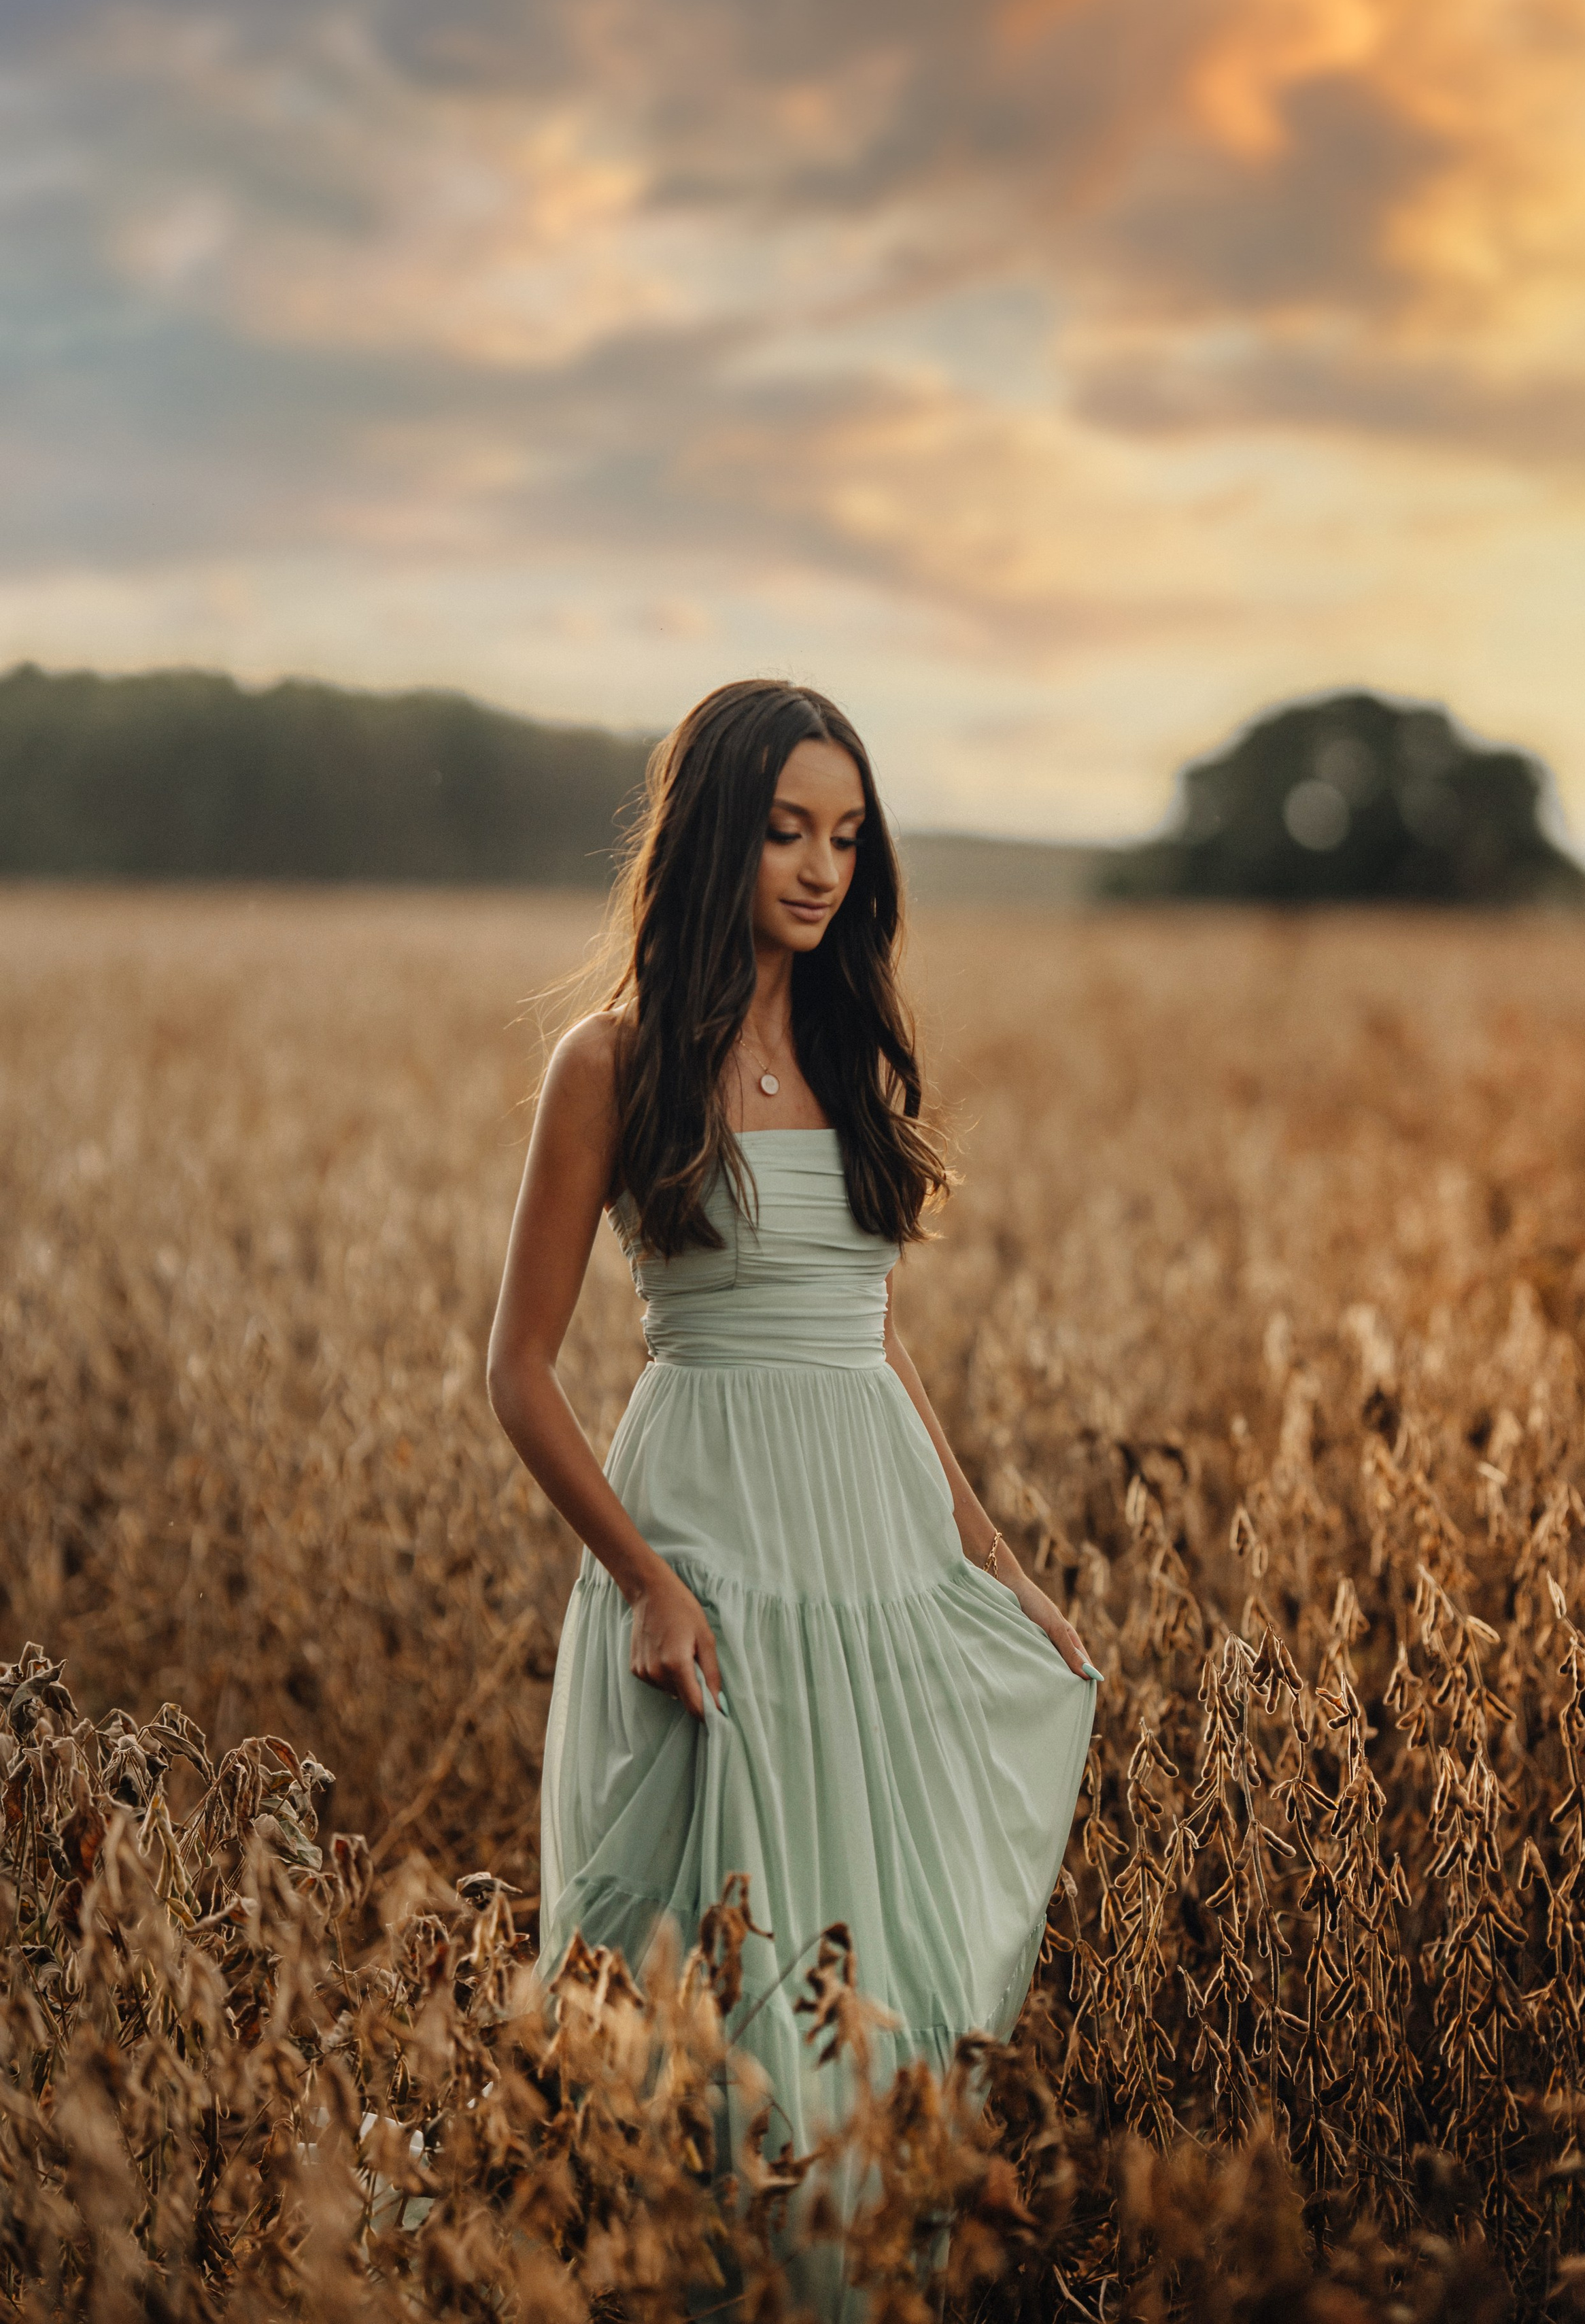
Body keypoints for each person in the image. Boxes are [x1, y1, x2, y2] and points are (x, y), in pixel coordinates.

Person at [486, 678, 1098, 2299]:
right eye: (783, 832)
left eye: (844, 837)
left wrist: (1002, 1571)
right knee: (705, 1971)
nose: (820, 869)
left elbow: (877, 1347)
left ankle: (849, 2271)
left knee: (871, 1963)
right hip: (710, 1551)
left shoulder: (846, 1052)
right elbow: (520, 1373)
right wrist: (644, 1579)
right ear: (711, 839)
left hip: (871, 1560)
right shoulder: (606, 1065)